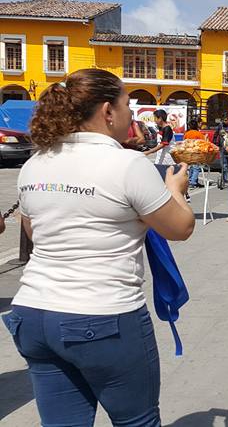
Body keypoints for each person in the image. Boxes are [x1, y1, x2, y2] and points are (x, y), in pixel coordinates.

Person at [1, 69, 195, 426]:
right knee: (137, 421)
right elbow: (180, 227)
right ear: (108, 111)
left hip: (33, 312)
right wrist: (175, 191)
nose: (131, 117)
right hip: (103, 316)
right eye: (127, 107)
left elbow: (34, 230)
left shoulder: (35, 163)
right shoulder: (127, 164)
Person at [183, 120, 205, 188]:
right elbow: (203, 142)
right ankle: (193, 182)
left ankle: (190, 181)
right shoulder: (198, 134)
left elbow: (184, 142)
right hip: (196, 152)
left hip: (189, 152)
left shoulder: (187, 133)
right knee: (196, 168)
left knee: (192, 167)